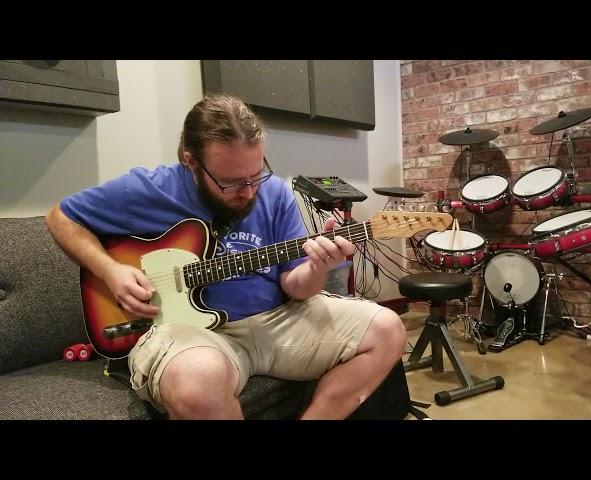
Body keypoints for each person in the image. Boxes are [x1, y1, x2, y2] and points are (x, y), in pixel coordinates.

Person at [46, 93, 407, 420]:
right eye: (232, 182)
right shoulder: (148, 189)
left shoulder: (275, 195)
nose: (248, 192)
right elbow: (60, 217)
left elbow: (296, 287)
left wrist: (317, 266)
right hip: (186, 331)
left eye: (256, 175)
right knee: (196, 384)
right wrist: (111, 272)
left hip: (275, 321)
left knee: (388, 329)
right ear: (191, 161)